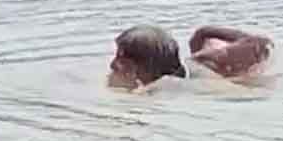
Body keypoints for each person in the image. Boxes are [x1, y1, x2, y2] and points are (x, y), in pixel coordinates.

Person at [108, 24, 273, 89]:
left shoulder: (214, 63)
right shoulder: (160, 81)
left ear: (144, 65)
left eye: (121, 59)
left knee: (202, 35)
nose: (112, 65)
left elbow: (263, 43)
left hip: (219, 69)